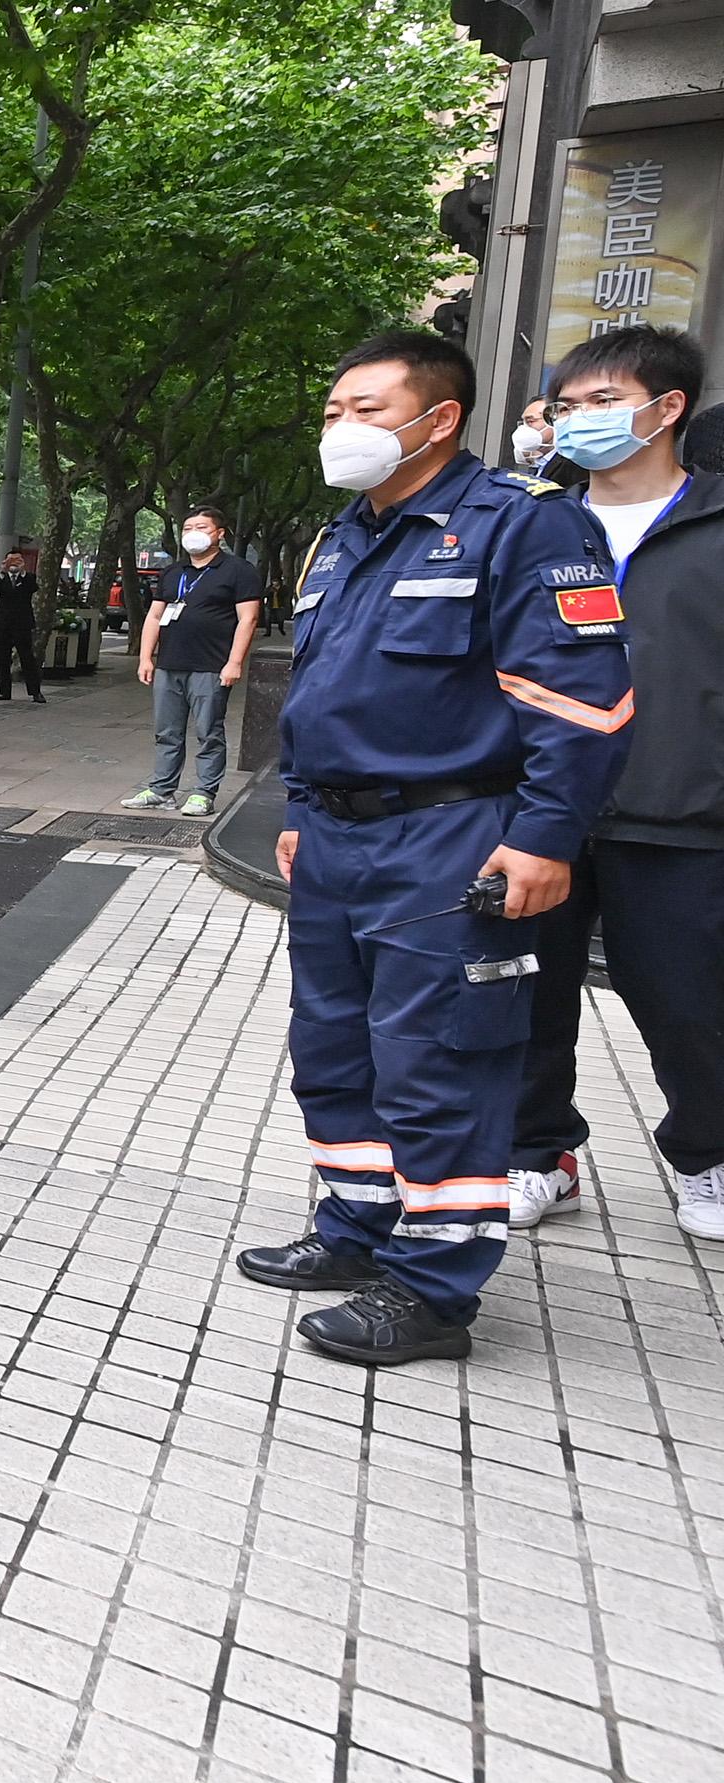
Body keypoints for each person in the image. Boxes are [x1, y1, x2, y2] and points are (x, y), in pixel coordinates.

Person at [239, 329, 631, 1365]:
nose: (341, 429)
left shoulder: (521, 525)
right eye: (332, 412)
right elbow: (324, 693)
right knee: (336, 1046)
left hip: (450, 837)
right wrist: (295, 805)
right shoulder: (345, 538)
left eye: (366, 410)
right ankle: (357, 1230)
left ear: (438, 418)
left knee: (441, 1059)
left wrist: (546, 836)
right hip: (332, 836)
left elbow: (583, 701)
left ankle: (433, 1288)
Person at [507, 325, 724, 1239]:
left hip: (680, 809)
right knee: (521, 996)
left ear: (667, 407)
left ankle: (710, 1157)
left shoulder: (714, 523)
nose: (576, 422)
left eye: (602, 403)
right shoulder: (528, 524)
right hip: (537, 809)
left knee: (690, 1002)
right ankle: (536, 1155)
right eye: (566, 406)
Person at [123, 505, 262, 818]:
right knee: (166, 731)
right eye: (187, 529)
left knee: (208, 731)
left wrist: (234, 662)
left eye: (201, 527)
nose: (193, 534)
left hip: (211, 666)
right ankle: (161, 790)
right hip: (170, 664)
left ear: (219, 533)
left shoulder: (238, 571)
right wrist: (146, 657)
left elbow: (248, 619)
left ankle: (204, 792)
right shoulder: (174, 572)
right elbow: (155, 616)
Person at [0, 548, 42, 703]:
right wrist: (3, 572)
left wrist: (23, 571)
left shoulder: (28, 578)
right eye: (10, 560)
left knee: (27, 658)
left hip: (22, 624)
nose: (13, 564)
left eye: (17, 560)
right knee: (2, 659)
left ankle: (35, 692)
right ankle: (4, 691)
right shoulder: (2, 579)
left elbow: (32, 588)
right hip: (2, 624)